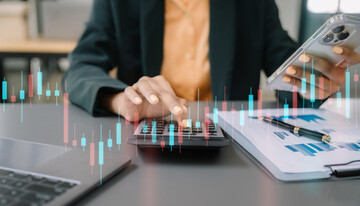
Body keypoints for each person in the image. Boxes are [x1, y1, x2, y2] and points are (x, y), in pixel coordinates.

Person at [63, 0, 360, 123]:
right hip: (146, 138)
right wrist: (120, 100)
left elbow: (284, 63)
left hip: (232, 143)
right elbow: (81, 67)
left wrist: (314, 83)